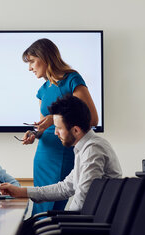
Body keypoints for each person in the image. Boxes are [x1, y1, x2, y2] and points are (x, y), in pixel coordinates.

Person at [0, 95, 122, 211]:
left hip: (87, 228)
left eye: (59, 128)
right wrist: (22, 192)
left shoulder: (93, 149)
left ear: (75, 130)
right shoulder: (85, 147)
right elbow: (65, 187)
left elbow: (84, 197)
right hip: (84, 224)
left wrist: (65, 222)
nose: (55, 133)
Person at [20, 38, 99, 214]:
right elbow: (44, 127)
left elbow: (92, 119)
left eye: (32, 61)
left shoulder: (72, 79)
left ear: (45, 57)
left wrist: (52, 118)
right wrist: (34, 134)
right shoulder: (42, 90)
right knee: (40, 208)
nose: (30, 67)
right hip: (43, 155)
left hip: (63, 153)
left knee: (53, 209)